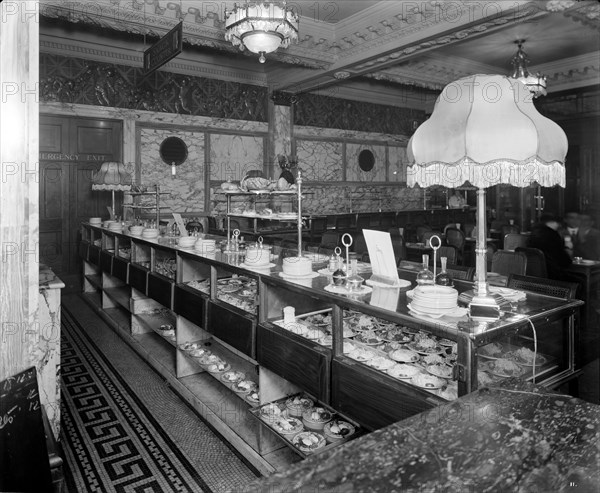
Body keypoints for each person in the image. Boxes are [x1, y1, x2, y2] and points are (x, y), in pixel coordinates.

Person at [528, 213, 572, 280]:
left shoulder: (534, 233)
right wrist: (567, 248)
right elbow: (564, 260)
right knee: (581, 280)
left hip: (533, 273)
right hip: (552, 276)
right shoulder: (552, 235)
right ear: (554, 222)